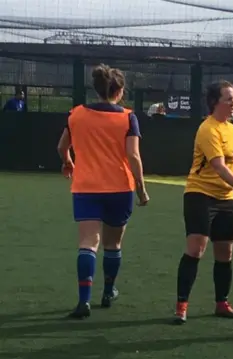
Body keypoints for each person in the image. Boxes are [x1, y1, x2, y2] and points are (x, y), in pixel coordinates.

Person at [56, 64, 149, 319]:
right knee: (113, 243)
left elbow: (62, 146)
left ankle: (83, 301)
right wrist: (142, 189)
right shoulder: (128, 117)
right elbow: (133, 156)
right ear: (119, 91)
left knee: (88, 244)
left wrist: (68, 161)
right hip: (120, 187)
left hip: (86, 187)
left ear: (96, 89)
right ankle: (108, 292)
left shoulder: (75, 115)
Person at [173, 80, 233, 325]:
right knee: (196, 248)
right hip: (200, 194)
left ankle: (222, 303)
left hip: (224, 198)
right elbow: (218, 166)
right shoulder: (207, 129)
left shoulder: (232, 129)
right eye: (228, 99)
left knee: (225, 252)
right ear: (214, 102)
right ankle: (181, 305)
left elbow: (231, 166)